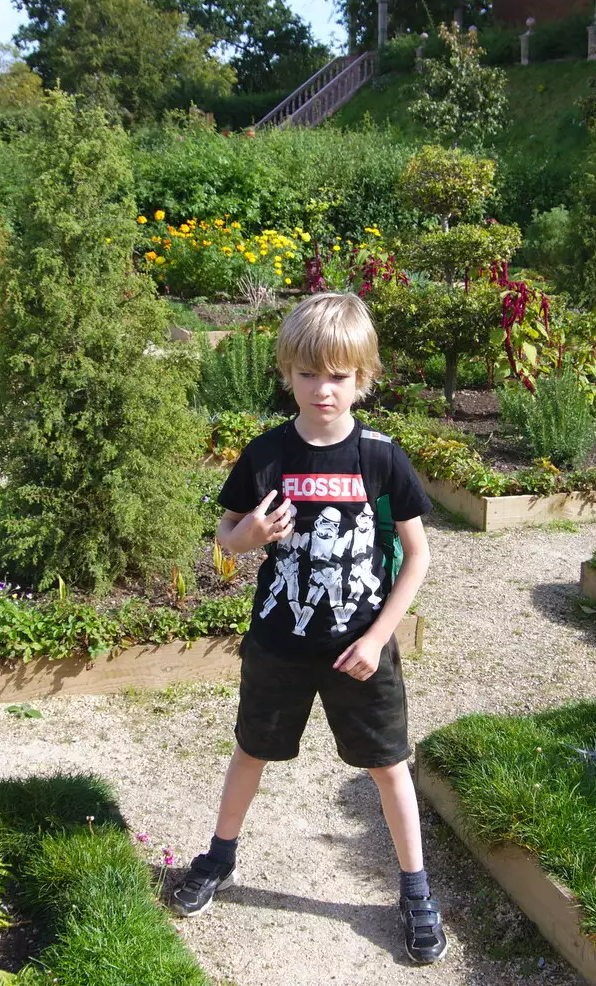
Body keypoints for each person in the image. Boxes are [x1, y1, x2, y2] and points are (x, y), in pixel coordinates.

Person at [169, 292, 445, 964]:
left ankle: (415, 889)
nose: (325, 390)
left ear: (364, 378)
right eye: (310, 374)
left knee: (389, 767)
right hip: (278, 646)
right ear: (287, 374)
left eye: (341, 376)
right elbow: (225, 535)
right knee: (250, 752)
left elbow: (418, 555)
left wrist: (379, 638)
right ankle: (219, 857)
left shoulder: (381, 457)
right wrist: (249, 536)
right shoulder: (266, 455)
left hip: (359, 649)